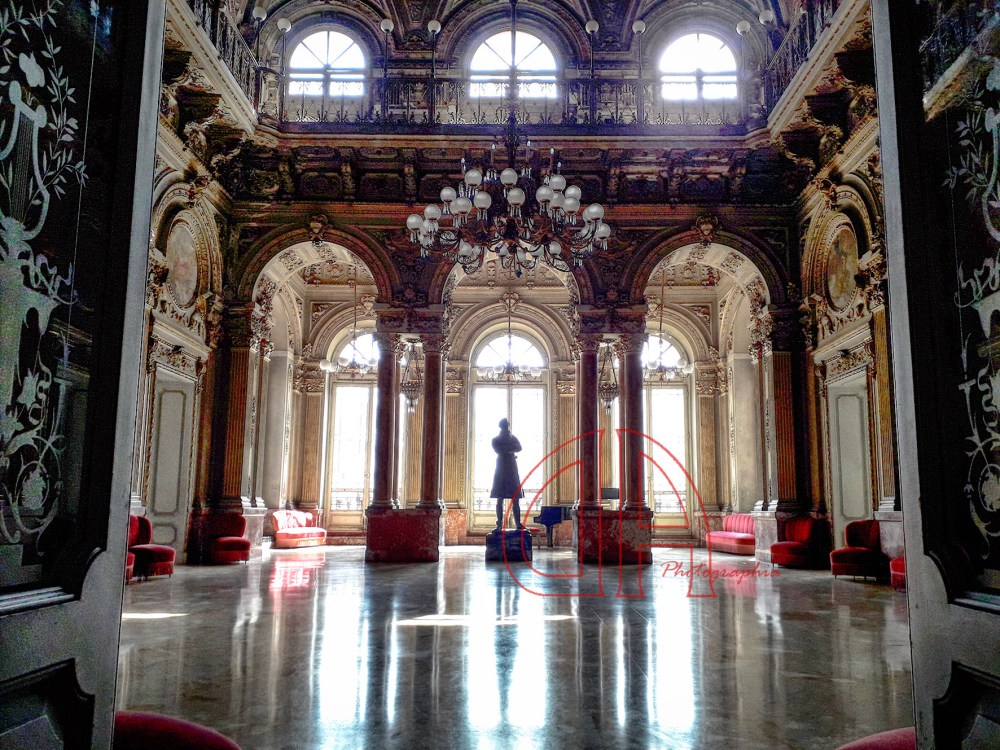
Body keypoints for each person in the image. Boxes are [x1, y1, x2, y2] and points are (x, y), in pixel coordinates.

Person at [490, 418, 524, 531]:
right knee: (499, 498)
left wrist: (507, 449)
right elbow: (499, 450)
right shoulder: (496, 439)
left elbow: (519, 448)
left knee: (516, 498)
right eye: (505, 425)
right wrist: (511, 449)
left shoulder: (512, 438)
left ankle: (518, 523)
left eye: (507, 425)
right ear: (501, 426)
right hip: (501, 469)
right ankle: (499, 524)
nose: (506, 427)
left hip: (512, 468)